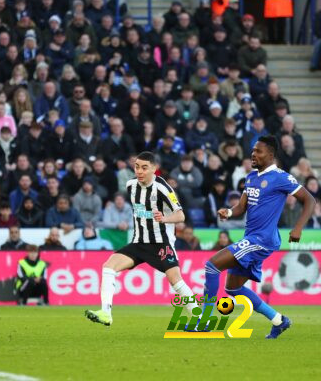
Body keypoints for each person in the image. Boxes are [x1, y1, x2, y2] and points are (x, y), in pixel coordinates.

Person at [205, 136, 315, 338]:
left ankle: (203, 322)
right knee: (233, 288)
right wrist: (228, 213)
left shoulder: (281, 177)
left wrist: (298, 227)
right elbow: (241, 206)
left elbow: (309, 200)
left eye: (259, 151)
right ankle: (279, 320)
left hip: (262, 240)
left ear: (271, 155)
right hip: (253, 238)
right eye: (253, 150)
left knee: (211, 266)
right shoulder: (251, 177)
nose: (253, 154)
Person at [85, 151, 199, 327]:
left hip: (161, 243)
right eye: (137, 167)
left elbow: (181, 216)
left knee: (176, 281)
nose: (139, 171)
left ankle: (200, 319)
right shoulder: (131, 186)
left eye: (144, 168)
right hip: (139, 242)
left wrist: (165, 219)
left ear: (154, 169)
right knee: (108, 267)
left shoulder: (163, 188)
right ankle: (106, 313)